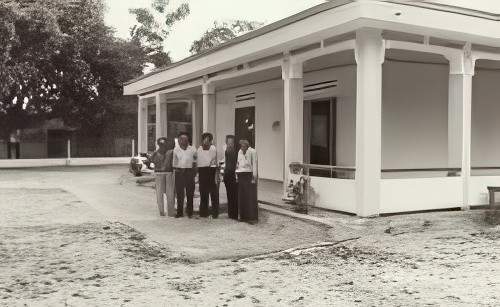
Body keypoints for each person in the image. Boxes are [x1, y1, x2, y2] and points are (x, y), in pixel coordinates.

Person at [173, 132, 197, 218]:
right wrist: (176, 170)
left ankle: (190, 212)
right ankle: (180, 212)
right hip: (179, 173)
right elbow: (174, 162)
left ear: (187, 140)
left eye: (185, 139)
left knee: (190, 193)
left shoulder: (193, 149)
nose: (182, 141)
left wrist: (194, 172)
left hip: (189, 172)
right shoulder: (176, 150)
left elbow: (195, 161)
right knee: (180, 194)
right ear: (179, 140)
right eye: (181, 139)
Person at [151, 137, 176, 217]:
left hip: (168, 173)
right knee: (160, 193)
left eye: (164, 145)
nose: (163, 146)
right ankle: (161, 211)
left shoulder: (170, 152)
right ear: (158, 145)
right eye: (161, 145)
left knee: (170, 193)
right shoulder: (155, 153)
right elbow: (151, 161)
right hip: (159, 173)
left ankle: (170, 212)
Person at [197, 132, 219, 218]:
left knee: (213, 194)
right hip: (202, 171)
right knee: (203, 194)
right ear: (202, 140)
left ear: (210, 140)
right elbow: (199, 161)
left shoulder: (213, 148)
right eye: (204, 139)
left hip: (211, 171)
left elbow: (213, 160)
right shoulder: (199, 149)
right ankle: (203, 213)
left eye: (208, 139)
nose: (206, 141)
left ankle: (215, 213)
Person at [236, 139, 258, 223]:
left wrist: (254, 177)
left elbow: (254, 164)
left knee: (250, 197)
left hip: (249, 175)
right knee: (242, 196)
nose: (242, 147)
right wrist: (236, 175)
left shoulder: (252, 152)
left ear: (247, 146)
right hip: (241, 175)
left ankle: (251, 217)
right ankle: (243, 216)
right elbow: (238, 164)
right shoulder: (239, 152)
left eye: (244, 146)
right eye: (241, 146)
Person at [223, 135, 238, 220]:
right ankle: (231, 213)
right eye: (228, 142)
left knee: (234, 195)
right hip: (227, 175)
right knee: (229, 195)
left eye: (231, 143)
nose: (230, 144)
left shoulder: (235, 152)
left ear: (233, 143)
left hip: (233, 174)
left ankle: (234, 214)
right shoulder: (226, 151)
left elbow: (235, 164)